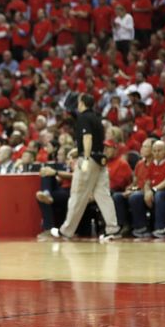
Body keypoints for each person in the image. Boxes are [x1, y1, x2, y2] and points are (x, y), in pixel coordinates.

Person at [51, 94, 122, 241]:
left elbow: (87, 138)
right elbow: (96, 142)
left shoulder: (83, 118)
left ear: (82, 103)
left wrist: (85, 157)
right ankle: (113, 229)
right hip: (99, 161)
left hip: (88, 161)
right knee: (103, 195)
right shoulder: (97, 119)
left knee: (78, 195)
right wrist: (78, 151)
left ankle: (66, 231)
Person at [129, 140, 165, 238]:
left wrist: (153, 190)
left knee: (160, 195)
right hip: (154, 193)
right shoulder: (153, 163)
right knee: (135, 196)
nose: (156, 153)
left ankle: (160, 228)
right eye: (154, 151)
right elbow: (147, 181)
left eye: (159, 150)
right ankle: (141, 228)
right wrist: (147, 192)